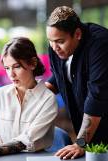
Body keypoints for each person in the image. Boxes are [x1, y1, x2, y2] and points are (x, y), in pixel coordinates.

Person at [45, 6, 108, 159]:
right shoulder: (56, 47)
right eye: (51, 41)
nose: (54, 48)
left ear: (77, 34)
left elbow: (96, 95)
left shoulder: (100, 43)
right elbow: (59, 76)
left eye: (60, 41)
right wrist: (38, 93)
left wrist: (80, 143)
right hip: (91, 134)